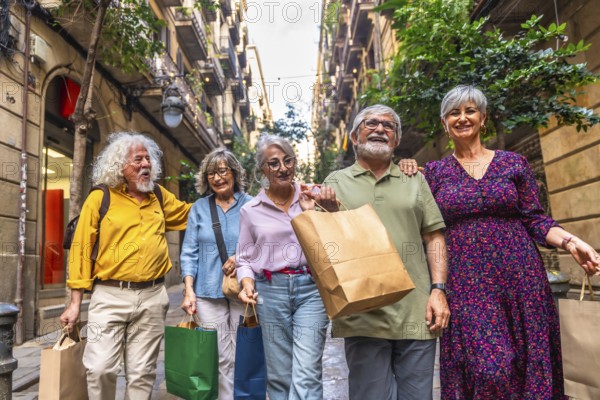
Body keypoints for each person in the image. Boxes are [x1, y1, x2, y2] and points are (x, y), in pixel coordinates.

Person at [412, 84, 600, 399]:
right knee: (489, 368)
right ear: (444, 123)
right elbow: (430, 231)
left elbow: (535, 219)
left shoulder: (513, 163)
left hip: (522, 277)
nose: (462, 118)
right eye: (453, 113)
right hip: (467, 282)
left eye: (470, 110)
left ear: (483, 118)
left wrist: (570, 242)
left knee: (530, 363)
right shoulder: (432, 173)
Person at [319, 104, 450, 400]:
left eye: (388, 126)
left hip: (416, 313)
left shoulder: (415, 178)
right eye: (371, 123)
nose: (380, 129)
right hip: (362, 315)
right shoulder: (334, 184)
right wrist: (328, 215)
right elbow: (322, 251)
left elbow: (434, 237)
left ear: (396, 140)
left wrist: (438, 290)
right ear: (354, 137)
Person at [60, 132, 192, 399]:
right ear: (120, 165)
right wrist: (74, 303)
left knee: (142, 372)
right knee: (99, 368)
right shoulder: (101, 198)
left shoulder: (158, 195)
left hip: (153, 295)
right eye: (137, 160)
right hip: (109, 295)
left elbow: (191, 214)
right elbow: (81, 249)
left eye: (147, 159)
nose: (145, 165)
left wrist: (226, 198)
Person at [236, 134, 329, 400]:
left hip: (311, 290)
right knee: (279, 376)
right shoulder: (250, 210)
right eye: (273, 163)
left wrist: (313, 212)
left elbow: (334, 239)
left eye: (287, 160)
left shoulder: (314, 196)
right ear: (262, 170)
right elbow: (244, 257)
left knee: (308, 371)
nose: (283, 168)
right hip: (270, 291)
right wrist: (246, 284)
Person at [180, 148, 252, 399]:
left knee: (243, 353)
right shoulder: (199, 208)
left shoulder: (251, 205)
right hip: (207, 292)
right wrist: (189, 290)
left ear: (234, 173)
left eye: (222, 171)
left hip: (243, 291)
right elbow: (189, 251)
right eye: (212, 172)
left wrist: (239, 256)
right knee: (221, 355)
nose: (217, 177)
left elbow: (262, 245)